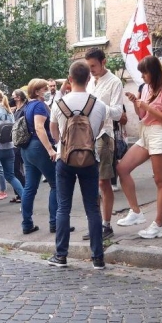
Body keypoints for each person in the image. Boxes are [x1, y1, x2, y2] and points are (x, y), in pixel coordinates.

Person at [47, 61, 108, 268]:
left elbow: (54, 131)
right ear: (89, 78)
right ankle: (98, 257)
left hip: (65, 159)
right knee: (92, 208)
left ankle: (61, 255)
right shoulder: (98, 104)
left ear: (69, 79)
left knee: (63, 207)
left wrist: (61, 145)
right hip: (90, 159)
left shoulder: (59, 104)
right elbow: (98, 130)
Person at [114, 56, 162, 238]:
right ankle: (136, 212)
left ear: (153, 72)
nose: (142, 76)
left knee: (160, 181)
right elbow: (141, 113)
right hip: (146, 132)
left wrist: (147, 107)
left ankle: (158, 224)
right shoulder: (147, 88)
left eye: (144, 72)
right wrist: (136, 102)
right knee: (122, 168)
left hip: (160, 133)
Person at [84, 48, 124, 241]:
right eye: (88, 66)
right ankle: (95, 223)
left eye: (93, 66)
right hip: (87, 135)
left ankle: (106, 224)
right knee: (90, 182)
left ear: (103, 62)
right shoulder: (90, 80)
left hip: (104, 135)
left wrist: (97, 107)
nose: (91, 70)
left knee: (103, 181)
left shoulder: (114, 82)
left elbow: (118, 112)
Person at [19, 79, 60, 235]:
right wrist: (50, 149)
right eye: (45, 88)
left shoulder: (28, 105)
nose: (48, 90)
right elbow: (39, 127)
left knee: (30, 187)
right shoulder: (39, 106)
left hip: (28, 148)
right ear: (37, 91)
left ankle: (27, 224)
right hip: (39, 147)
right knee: (56, 184)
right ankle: (55, 223)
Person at [10, 89, 28, 204]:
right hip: (15, 140)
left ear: (18, 97)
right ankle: (19, 193)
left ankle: (23, 193)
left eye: (13, 96)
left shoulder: (23, 110)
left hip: (20, 141)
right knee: (15, 169)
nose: (11, 98)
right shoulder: (16, 109)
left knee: (16, 168)